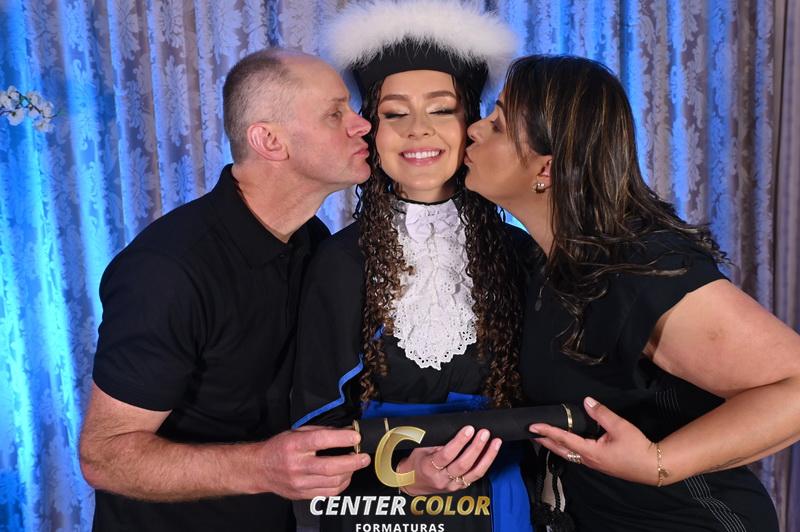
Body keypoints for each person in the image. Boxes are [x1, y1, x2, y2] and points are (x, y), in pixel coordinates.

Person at [464, 54, 800, 531]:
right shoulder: (544, 262)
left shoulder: (643, 266)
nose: (474, 129)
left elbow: (794, 386)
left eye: (497, 124)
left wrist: (661, 462)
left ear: (546, 168)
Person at [78, 49, 374, 532]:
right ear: (270, 141)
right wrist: (262, 467)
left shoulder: (313, 241)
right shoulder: (168, 271)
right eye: (334, 113)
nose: (362, 125)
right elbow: (104, 458)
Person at [290, 2, 537, 531]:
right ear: (372, 134)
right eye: (395, 114)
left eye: (442, 110)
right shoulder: (340, 261)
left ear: (472, 125)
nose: (418, 130)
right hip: (384, 509)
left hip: (502, 505)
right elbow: (313, 427)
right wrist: (401, 473)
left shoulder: (521, 253)